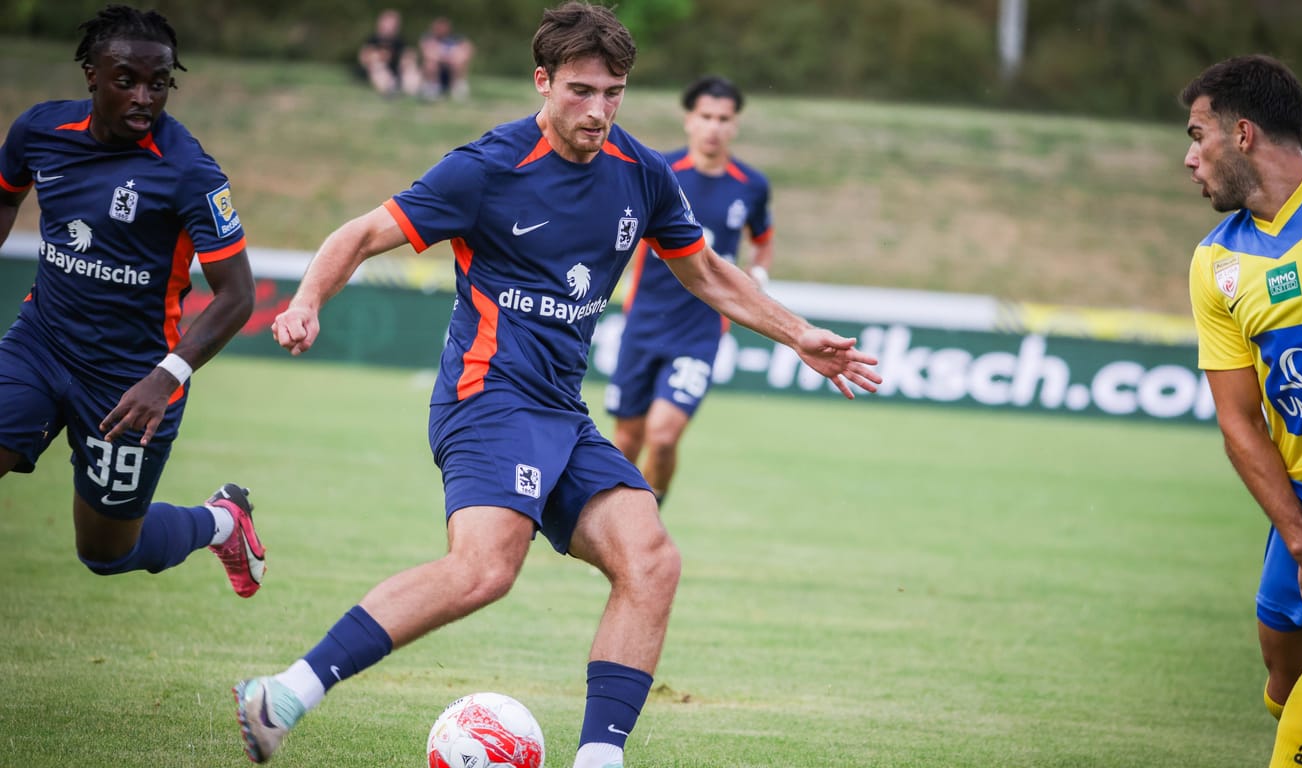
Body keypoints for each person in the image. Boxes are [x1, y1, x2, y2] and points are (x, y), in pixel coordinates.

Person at [231, 2, 880, 764]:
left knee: (651, 560)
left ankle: (599, 759)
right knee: (484, 570)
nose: (598, 109)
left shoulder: (641, 172)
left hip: (560, 412)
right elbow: (363, 234)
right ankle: (281, 695)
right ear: (542, 81)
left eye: (613, 92)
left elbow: (704, 269)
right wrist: (307, 301)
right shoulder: (487, 168)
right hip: (486, 397)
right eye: (580, 90)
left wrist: (799, 332)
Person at [0, 5, 265, 599]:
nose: (145, 97)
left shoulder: (189, 171)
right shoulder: (39, 132)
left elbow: (238, 294)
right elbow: (4, 194)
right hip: (38, 345)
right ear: (92, 75)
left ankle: (222, 521)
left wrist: (164, 379)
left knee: (104, 552)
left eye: (160, 84)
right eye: (127, 81)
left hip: (131, 381)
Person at [1182, 54, 1302, 768]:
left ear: (1245, 133)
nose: (1189, 157)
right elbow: (1238, 420)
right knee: (1288, 689)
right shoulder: (1213, 265)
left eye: (1199, 135)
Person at [605, 75, 772, 506]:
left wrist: (758, 275)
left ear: (735, 125)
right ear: (689, 120)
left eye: (723, 118)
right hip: (643, 324)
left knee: (662, 437)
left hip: (700, 330)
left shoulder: (750, 185)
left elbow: (763, 238)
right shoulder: (658, 173)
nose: (714, 127)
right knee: (626, 437)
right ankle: (615, 523)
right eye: (706, 116)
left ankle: (647, 516)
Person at [357, 8, 420, 97]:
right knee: (378, 66)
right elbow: (363, 58)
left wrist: (407, 59)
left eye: (393, 24)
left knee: (411, 67)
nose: (391, 27)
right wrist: (378, 56)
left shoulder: (399, 41)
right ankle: (389, 89)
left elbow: (409, 53)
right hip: (377, 72)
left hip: (396, 71)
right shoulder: (373, 39)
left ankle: (412, 91)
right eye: (388, 23)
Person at [419, 16, 475, 101]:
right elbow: (427, 53)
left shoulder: (456, 38)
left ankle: (457, 87)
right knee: (430, 63)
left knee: (459, 60)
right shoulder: (429, 38)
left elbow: (469, 49)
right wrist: (446, 58)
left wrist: (457, 57)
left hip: (452, 68)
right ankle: (432, 88)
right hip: (437, 69)